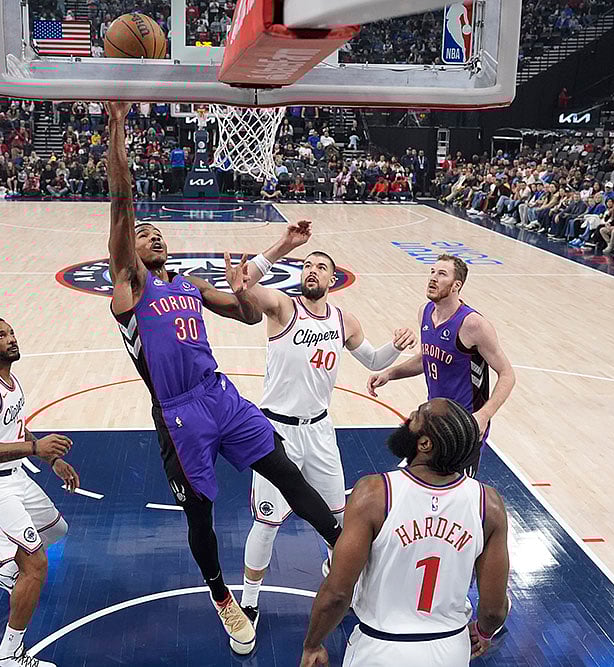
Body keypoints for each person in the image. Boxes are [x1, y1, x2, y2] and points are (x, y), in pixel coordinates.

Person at [104, 101, 342, 655]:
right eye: (145, 235)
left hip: (220, 396)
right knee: (201, 512)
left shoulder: (186, 284)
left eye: (159, 234)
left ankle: (343, 544)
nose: (153, 237)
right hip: (179, 412)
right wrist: (117, 126)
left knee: (286, 472)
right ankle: (222, 597)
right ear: (129, 250)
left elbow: (248, 314)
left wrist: (247, 279)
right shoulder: (129, 289)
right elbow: (121, 207)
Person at [230, 242, 417, 632]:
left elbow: (372, 360)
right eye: (307, 266)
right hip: (276, 432)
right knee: (267, 524)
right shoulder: (283, 307)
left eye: (320, 267)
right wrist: (281, 249)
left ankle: (341, 578)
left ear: (333, 279)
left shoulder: (344, 320)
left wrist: (393, 349)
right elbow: (247, 285)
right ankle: (249, 602)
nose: (312, 271)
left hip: (319, 431)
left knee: (338, 519)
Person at [299, 398, 510, 666]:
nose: (409, 415)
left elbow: (338, 593)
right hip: (450, 649)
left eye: (419, 414)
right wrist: (482, 632)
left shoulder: (374, 494)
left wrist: (313, 643)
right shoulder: (488, 505)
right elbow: (493, 610)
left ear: (425, 445)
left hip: (380, 648)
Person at [0, 318, 80, 667]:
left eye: (11, 332)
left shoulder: (11, 382)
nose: (11, 339)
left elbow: (18, 429)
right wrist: (35, 449)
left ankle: (5, 572)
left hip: (12, 477)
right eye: (1, 336)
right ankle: (7, 656)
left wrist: (51, 459)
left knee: (57, 529)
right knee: (36, 564)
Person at [367, 255, 515, 477]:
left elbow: (507, 374)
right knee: (420, 484)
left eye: (442, 274)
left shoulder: (473, 324)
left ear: (457, 285)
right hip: (433, 418)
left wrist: (484, 415)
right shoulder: (425, 312)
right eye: (432, 272)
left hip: (464, 425)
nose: (433, 278)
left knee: (453, 494)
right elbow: (427, 358)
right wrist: (390, 373)